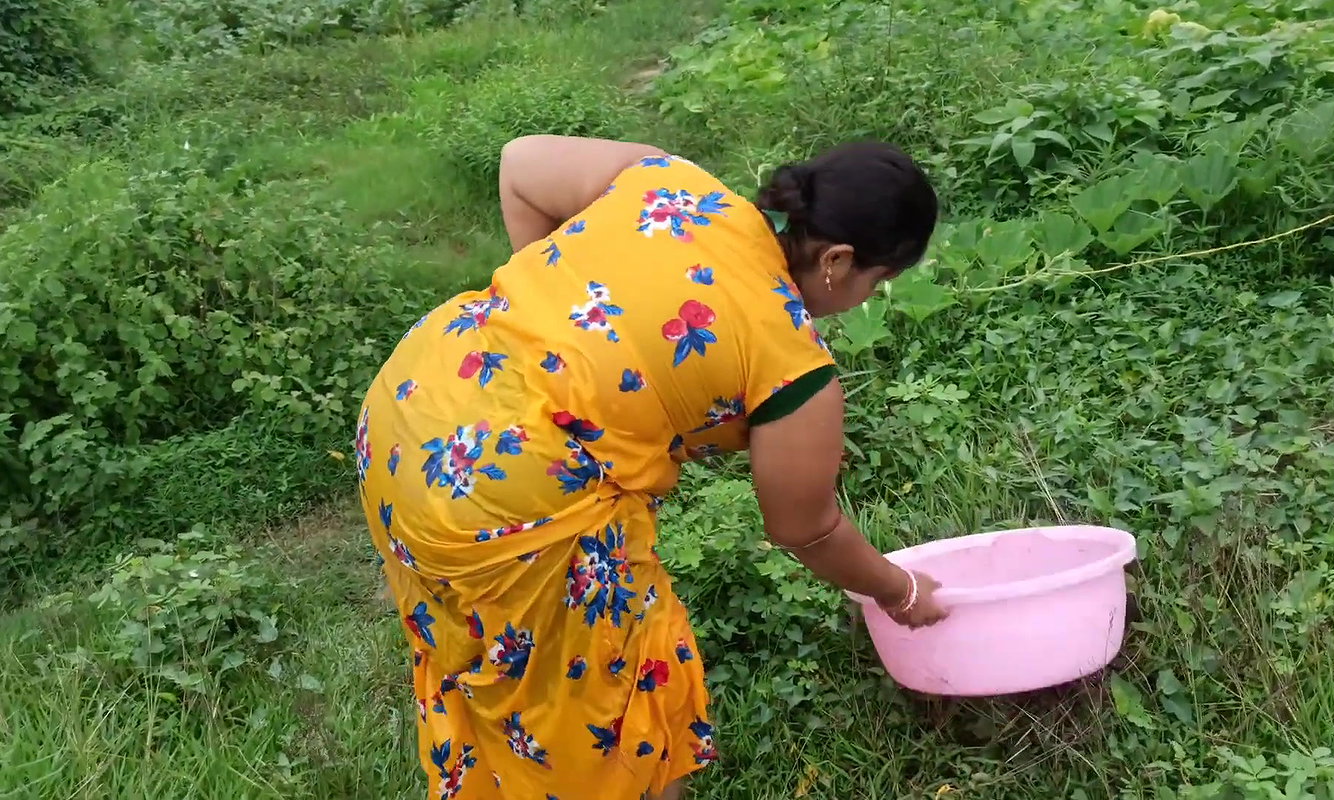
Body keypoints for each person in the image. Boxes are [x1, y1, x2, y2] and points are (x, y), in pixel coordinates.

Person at [355, 134, 950, 800]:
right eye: (879, 281)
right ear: (838, 260)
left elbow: (520, 164)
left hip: (410, 413)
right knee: (623, 705)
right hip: (513, 494)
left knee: (488, 654)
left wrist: (568, 343)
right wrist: (899, 592)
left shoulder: (671, 184)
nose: (866, 298)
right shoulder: (792, 365)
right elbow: (805, 528)